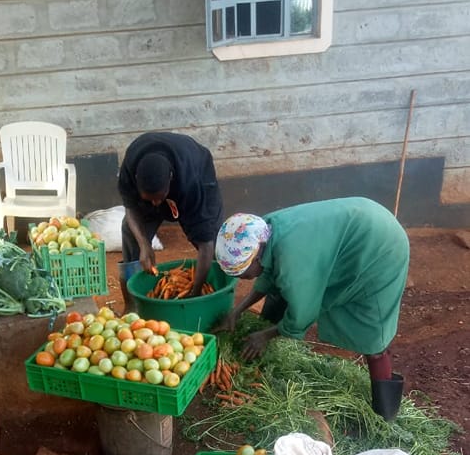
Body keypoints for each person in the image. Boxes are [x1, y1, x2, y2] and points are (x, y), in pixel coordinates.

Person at [214, 198, 410, 421]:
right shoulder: (262, 231)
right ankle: (262, 357)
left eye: (243, 273)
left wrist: (265, 336)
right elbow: (268, 275)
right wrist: (237, 311)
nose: (244, 279)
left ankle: (385, 415)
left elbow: (301, 314)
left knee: (373, 331)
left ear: (255, 256)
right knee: (287, 290)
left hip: (380, 248)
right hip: (359, 225)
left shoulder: (292, 261)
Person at [117, 132, 224, 309]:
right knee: (130, 232)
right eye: (149, 199)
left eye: (160, 198)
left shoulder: (192, 184)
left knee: (212, 239)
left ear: (171, 179)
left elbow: (205, 242)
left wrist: (193, 294)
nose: (156, 204)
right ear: (137, 181)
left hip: (198, 173)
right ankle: (132, 305)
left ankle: (214, 297)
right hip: (157, 181)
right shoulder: (130, 167)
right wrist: (144, 245)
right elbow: (131, 208)